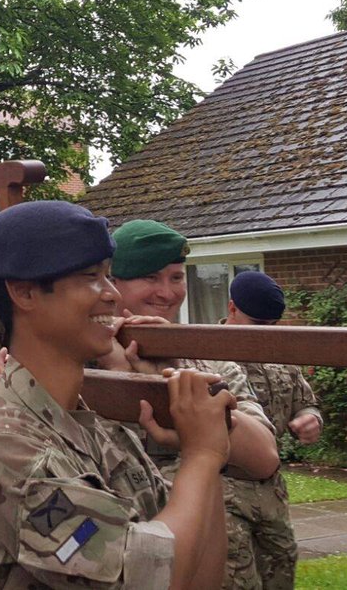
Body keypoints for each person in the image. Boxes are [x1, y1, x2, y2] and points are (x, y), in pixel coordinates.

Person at [0, 201, 237, 589]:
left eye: (109, 277)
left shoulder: (96, 429)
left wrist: (207, 460)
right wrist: (202, 457)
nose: (111, 294)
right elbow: (149, 581)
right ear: (24, 293)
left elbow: (199, 576)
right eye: (91, 277)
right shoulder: (0, 444)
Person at [103, 220, 280, 590]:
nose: (167, 293)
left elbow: (265, 456)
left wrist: (174, 376)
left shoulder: (209, 362)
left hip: (223, 561)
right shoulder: (84, 362)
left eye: (176, 277)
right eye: (150, 278)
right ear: (113, 283)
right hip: (122, 561)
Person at [221, 271, 323, 590]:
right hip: (225, 491)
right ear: (232, 308)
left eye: (272, 325)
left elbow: (305, 401)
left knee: (282, 572)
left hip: (272, 494)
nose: (266, 333)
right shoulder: (205, 356)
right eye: (258, 324)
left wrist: (310, 418)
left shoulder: (279, 356)